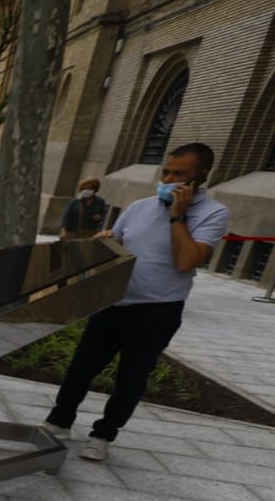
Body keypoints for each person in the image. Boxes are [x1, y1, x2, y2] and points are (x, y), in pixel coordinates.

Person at [43, 142, 229, 462]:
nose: (168, 179)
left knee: (131, 376)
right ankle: (60, 420)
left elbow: (187, 261)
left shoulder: (214, 213)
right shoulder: (139, 207)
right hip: (114, 301)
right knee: (81, 367)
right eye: (165, 171)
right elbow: (118, 241)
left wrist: (177, 217)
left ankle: (103, 435)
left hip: (158, 310)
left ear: (200, 177)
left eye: (178, 174)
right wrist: (106, 242)